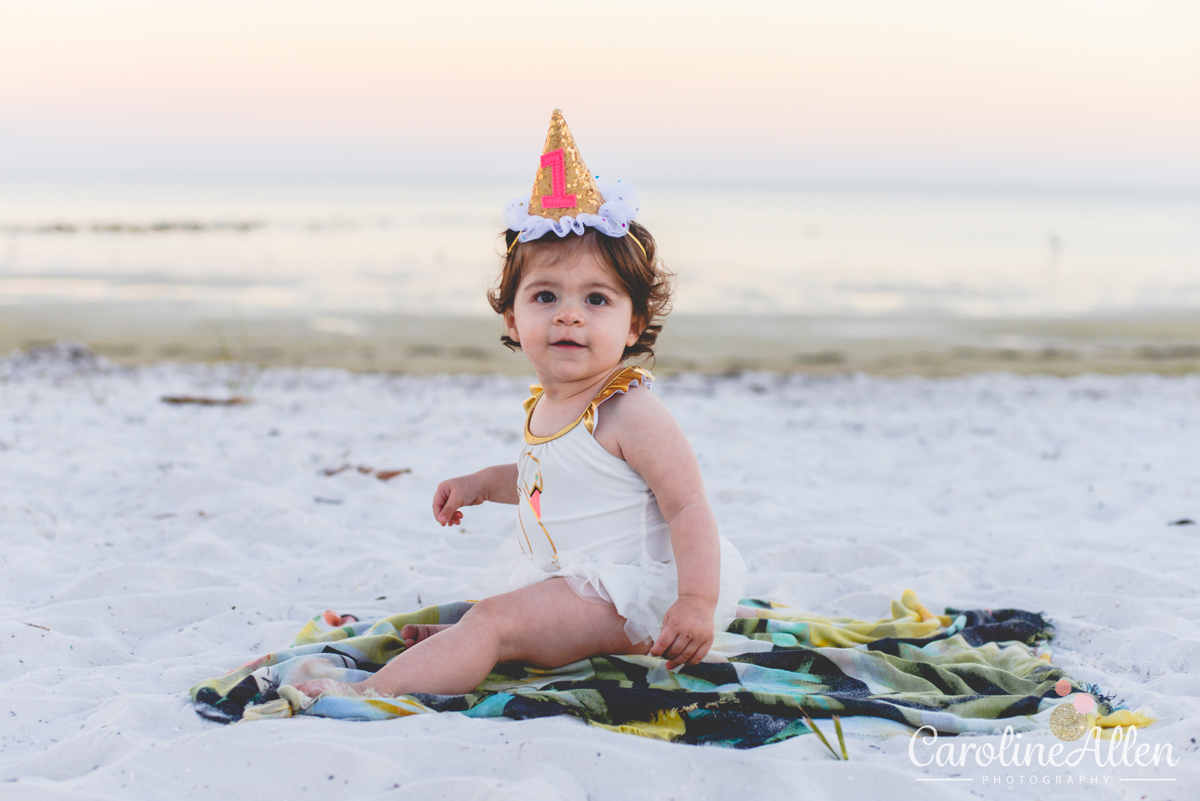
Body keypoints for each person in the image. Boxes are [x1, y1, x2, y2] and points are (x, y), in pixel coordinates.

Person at [294, 110, 745, 701]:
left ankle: (369, 694)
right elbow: (546, 482)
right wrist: (482, 483)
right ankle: (474, 644)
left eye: (597, 298)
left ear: (634, 323)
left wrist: (695, 602)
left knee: (492, 622)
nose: (569, 313)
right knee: (490, 616)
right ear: (513, 317)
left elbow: (687, 507)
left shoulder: (629, 411)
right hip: (574, 582)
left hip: (632, 599)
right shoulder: (551, 405)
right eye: (545, 296)